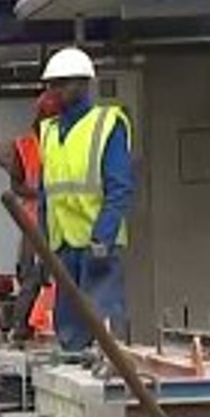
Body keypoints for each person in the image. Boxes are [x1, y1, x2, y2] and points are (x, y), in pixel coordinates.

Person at [37, 46, 136, 352]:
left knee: (102, 323)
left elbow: (119, 187)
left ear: (82, 84)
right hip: (64, 247)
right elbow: (46, 196)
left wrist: (102, 238)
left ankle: (109, 369)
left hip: (97, 245)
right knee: (70, 332)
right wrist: (42, 248)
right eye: (51, 84)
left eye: (61, 83)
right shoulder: (49, 131)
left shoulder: (108, 125)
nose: (54, 91)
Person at [0, 89, 62, 343]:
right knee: (33, 277)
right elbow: (17, 184)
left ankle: (37, 325)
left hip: (59, 218)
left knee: (52, 275)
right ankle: (22, 328)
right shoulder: (27, 145)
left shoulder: (63, 142)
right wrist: (39, 194)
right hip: (35, 220)